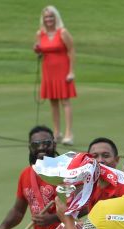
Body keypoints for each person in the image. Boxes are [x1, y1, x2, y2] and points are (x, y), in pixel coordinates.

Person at [35, 6, 75, 145]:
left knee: (65, 101)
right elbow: (40, 49)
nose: (49, 19)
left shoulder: (62, 32)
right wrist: (38, 51)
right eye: (46, 17)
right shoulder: (40, 33)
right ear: (43, 19)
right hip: (48, 70)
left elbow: (71, 50)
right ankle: (57, 133)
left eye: (51, 16)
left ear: (56, 17)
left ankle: (69, 134)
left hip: (62, 69)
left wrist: (71, 71)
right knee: (53, 102)